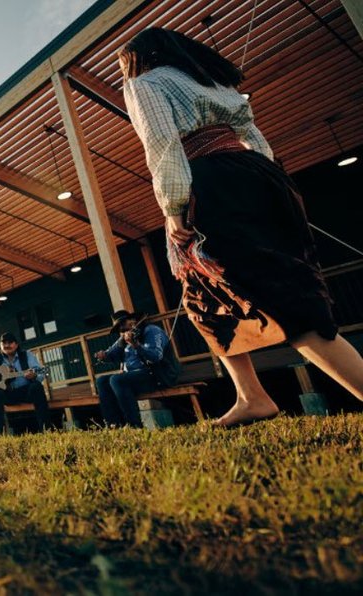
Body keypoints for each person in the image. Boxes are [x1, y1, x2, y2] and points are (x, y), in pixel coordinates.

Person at [120, 28, 363, 427]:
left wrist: (174, 206)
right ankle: (252, 396)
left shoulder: (144, 83)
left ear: (138, 59)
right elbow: (255, 139)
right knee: (201, 290)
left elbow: (163, 143)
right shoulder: (217, 83)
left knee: (282, 293)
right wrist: (263, 180)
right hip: (261, 176)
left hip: (210, 181)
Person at [95, 310, 177, 428]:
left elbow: (155, 357)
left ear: (133, 321)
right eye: (120, 329)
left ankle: (134, 425)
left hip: (157, 375)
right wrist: (103, 356)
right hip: (135, 378)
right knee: (101, 381)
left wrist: (136, 345)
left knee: (116, 380)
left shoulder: (151, 331)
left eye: (124, 324)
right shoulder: (124, 338)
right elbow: (111, 354)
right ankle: (114, 424)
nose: (122, 330)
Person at [0, 333, 50, 436]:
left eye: (10, 343)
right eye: (4, 343)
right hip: (7, 395)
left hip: (25, 392)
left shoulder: (27, 355)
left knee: (37, 386)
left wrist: (35, 375)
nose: (7, 345)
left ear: (16, 345)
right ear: (0, 345)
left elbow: (40, 372)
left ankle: (46, 429)